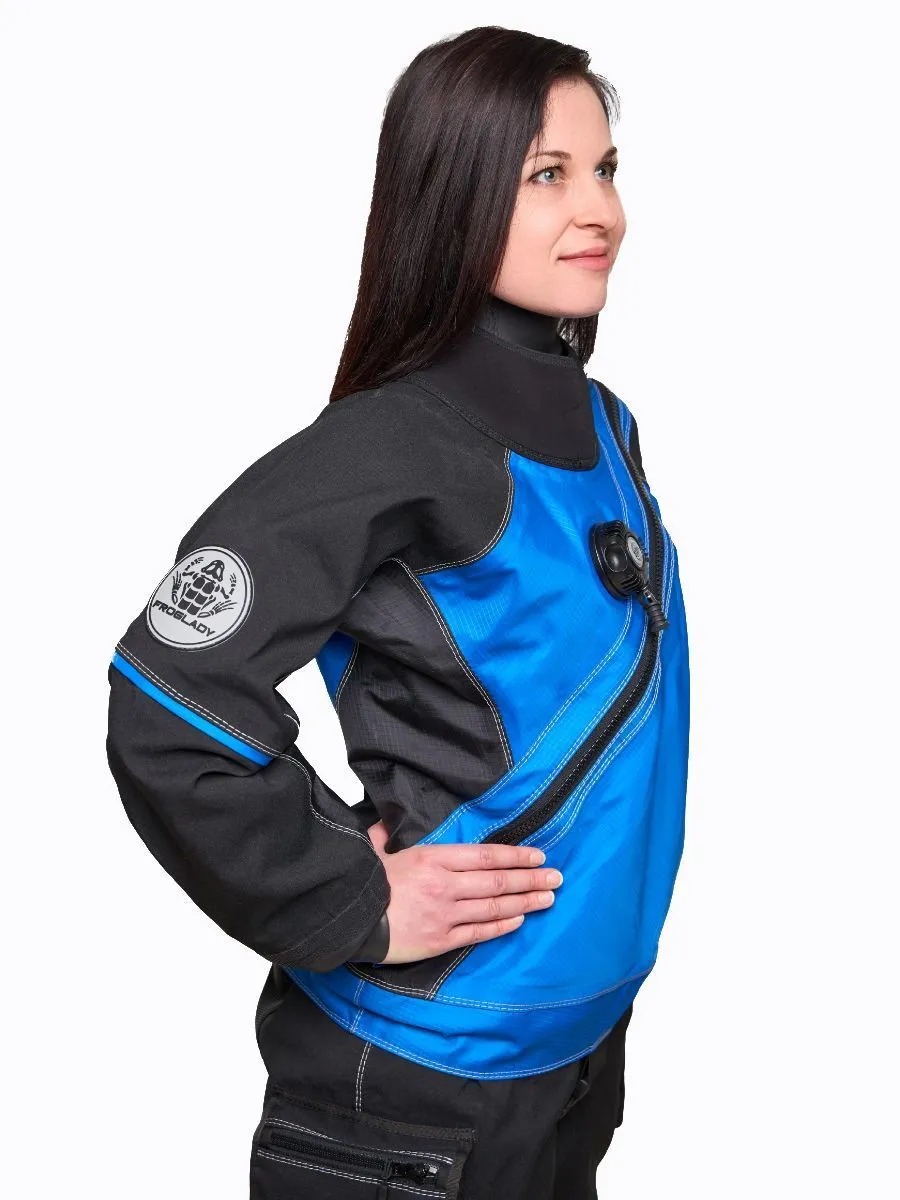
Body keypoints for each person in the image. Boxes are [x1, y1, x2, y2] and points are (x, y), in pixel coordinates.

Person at [105, 25, 690, 1199]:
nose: (601, 211)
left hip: (572, 1060)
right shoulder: (391, 445)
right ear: (453, 191)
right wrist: (352, 897)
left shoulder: (608, 427)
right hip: (418, 1084)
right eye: (547, 175)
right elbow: (167, 697)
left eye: (605, 169)